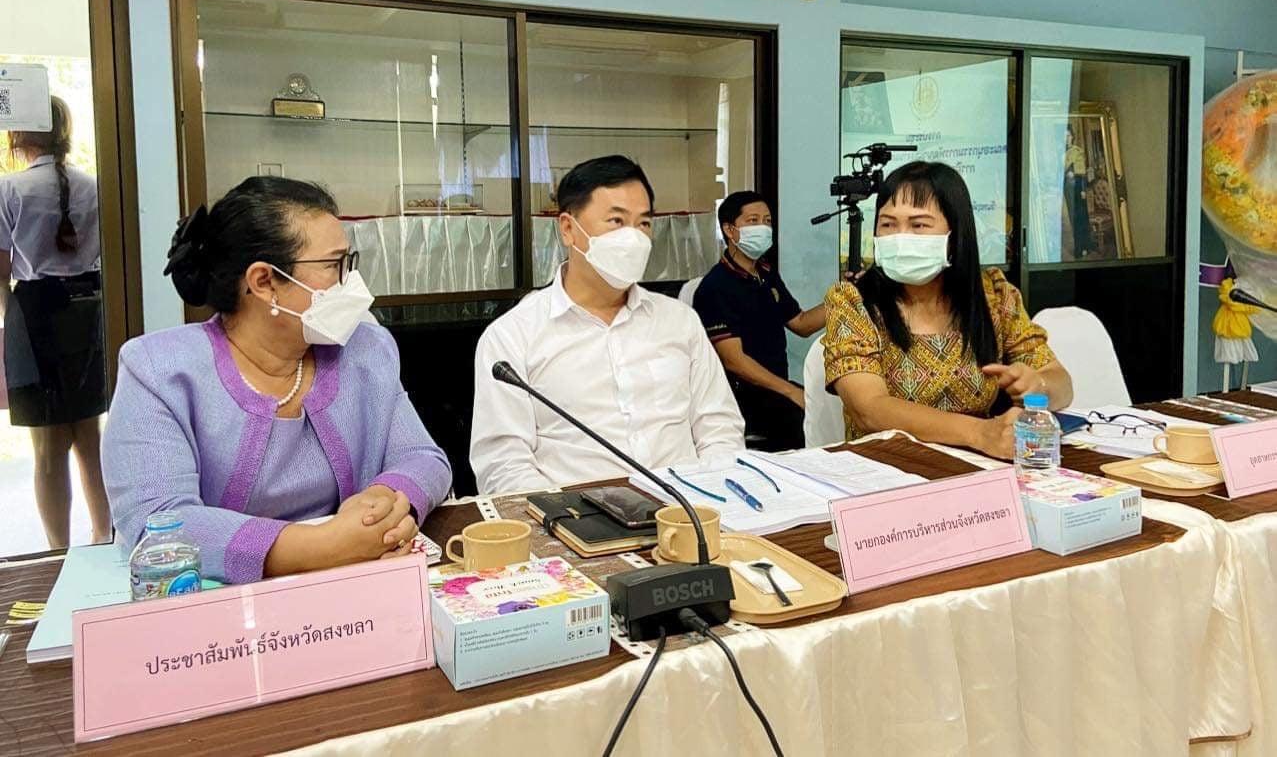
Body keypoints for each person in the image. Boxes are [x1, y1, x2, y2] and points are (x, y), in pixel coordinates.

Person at [102, 177, 452, 584]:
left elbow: (423, 457)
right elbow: (159, 520)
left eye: (348, 262)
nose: (350, 283)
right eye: (333, 265)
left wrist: (384, 501)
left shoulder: (366, 350)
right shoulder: (158, 370)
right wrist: (324, 548)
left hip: (359, 586)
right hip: (223, 607)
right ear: (264, 282)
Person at [470, 155, 744, 493]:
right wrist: (565, 516)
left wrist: (714, 496)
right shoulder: (512, 336)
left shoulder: (680, 321)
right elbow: (503, 465)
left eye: (644, 224)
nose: (634, 238)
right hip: (576, 515)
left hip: (689, 507)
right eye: (616, 221)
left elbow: (720, 428)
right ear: (568, 229)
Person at [824, 161, 1073, 459]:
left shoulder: (994, 296)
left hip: (980, 463)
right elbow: (869, 409)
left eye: (918, 225)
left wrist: (1038, 386)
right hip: (887, 467)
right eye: (888, 224)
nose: (900, 238)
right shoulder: (852, 301)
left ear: (955, 235)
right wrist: (979, 433)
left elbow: (1061, 383)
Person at [0, 96, 110, 549]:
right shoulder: (97, 185)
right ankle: (105, 540)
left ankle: (57, 554)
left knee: (47, 450)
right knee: (90, 439)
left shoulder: (9, 189)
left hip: (33, 310)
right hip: (91, 308)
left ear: (18, 133)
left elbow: (0, 272)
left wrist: (13, 321)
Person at [693, 191, 824, 451]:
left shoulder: (766, 274)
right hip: (744, 399)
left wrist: (845, 298)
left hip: (777, 389)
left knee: (825, 411)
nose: (762, 228)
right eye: (753, 221)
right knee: (802, 426)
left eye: (767, 221)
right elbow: (734, 360)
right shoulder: (715, 287)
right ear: (730, 230)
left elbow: (802, 324)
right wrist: (790, 392)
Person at [1063, 126, 1094, 258]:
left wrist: (1082, 189)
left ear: (1072, 136)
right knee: (1073, 218)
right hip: (1068, 189)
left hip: (1077, 188)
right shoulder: (1061, 153)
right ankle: (1079, 246)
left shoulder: (1077, 151)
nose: (1066, 139)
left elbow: (1081, 173)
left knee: (1081, 217)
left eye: (1068, 136)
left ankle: (1084, 246)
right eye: (1064, 137)